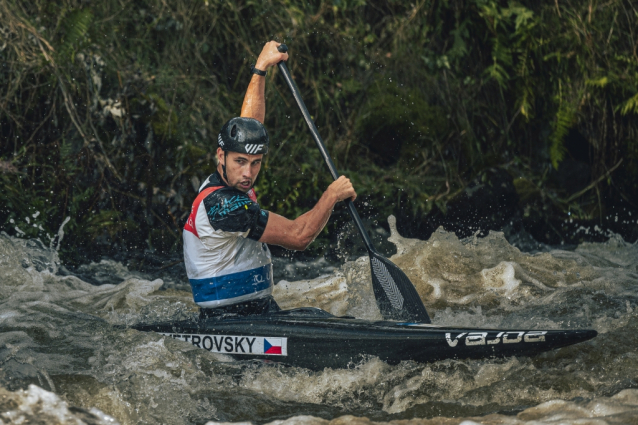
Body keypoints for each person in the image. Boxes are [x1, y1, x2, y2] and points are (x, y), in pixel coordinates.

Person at [183, 41, 357, 318]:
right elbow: (299, 237)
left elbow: (249, 126)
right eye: (240, 162)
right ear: (221, 156)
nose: (248, 173)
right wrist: (332, 195)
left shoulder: (230, 174)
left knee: (320, 316)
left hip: (257, 310)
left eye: (255, 163)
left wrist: (261, 68)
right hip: (229, 321)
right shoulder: (224, 206)